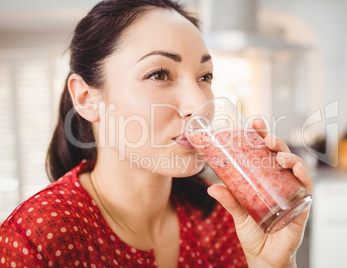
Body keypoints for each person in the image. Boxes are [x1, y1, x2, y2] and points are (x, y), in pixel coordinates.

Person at [0, 0, 313, 267]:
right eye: (159, 74)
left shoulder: (221, 219)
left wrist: (273, 263)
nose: (200, 104)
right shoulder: (39, 241)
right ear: (86, 98)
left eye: (205, 76)